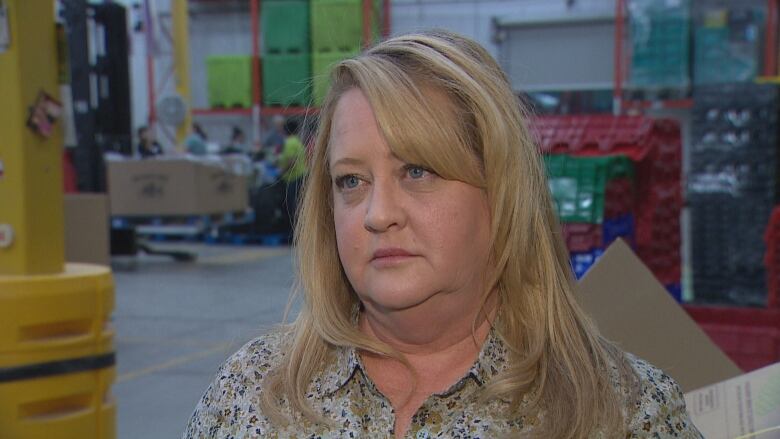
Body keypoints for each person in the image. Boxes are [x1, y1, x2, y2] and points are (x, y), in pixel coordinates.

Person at [184, 31, 702, 438]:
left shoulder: (624, 412)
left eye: (418, 172)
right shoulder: (251, 392)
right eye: (351, 181)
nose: (377, 213)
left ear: (500, 192)